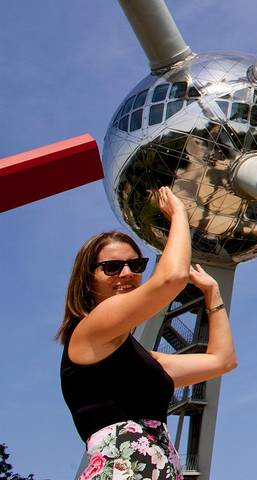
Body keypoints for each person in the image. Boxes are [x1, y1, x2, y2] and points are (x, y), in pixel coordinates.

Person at [57, 186, 237, 480]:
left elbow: (222, 361)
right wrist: (179, 214)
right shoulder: (90, 328)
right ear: (88, 280)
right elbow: (171, 279)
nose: (127, 273)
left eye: (136, 264)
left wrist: (213, 293)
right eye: (112, 267)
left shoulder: (137, 360)